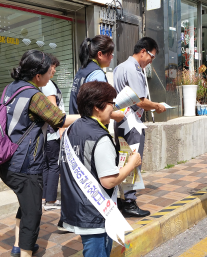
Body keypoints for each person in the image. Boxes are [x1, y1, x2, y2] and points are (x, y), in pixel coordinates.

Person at [0, 50, 79, 257]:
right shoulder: (34, 95)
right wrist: (91, 116)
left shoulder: (11, 88)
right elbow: (60, 119)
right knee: (33, 214)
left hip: (4, 159)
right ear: (38, 76)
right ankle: (24, 252)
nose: (52, 75)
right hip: (24, 165)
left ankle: (18, 245)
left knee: (26, 203)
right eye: (49, 72)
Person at [59, 81, 141, 257]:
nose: (114, 107)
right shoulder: (100, 138)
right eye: (111, 103)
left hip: (76, 208)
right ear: (97, 107)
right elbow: (109, 181)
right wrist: (131, 164)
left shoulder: (70, 130)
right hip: (95, 213)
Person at [113, 37, 167, 217]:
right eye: (151, 56)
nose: (151, 61)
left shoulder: (120, 67)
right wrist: (157, 106)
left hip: (121, 121)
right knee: (133, 161)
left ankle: (123, 198)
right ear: (143, 51)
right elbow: (141, 101)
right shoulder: (134, 69)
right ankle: (129, 201)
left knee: (123, 159)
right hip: (131, 123)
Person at [69, 35, 123, 122]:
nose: (111, 58)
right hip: (91, 126)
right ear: (100, 54)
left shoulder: (83, 69)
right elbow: (98, 107)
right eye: (110, 54)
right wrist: (115, 115)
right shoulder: (97, 74)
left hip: (77, 123)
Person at [41, 55, 64, 211]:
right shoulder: (48, 85)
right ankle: (50, 201)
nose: (54, 70)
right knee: (54, 166)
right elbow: (54, 110)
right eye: (52, 67)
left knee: (46, 166)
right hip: (52, 132)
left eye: (55, 67)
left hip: (45, 133)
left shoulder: (43, 83)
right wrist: (61, 128)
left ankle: (44, 197)